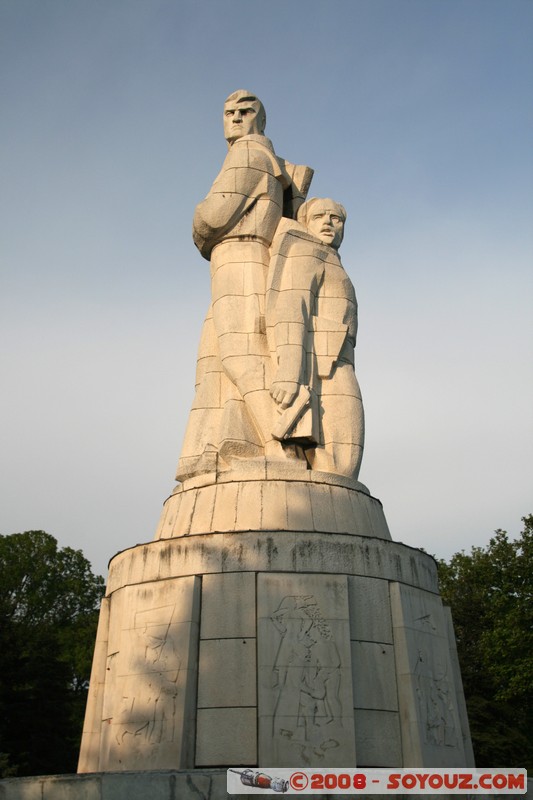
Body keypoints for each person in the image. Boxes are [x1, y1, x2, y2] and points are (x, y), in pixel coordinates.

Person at [176, 91, 312, 480]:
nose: (235, 118)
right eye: (229, 112)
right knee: (217, 360)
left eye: (245, 111)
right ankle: (228, 447)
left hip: (240, 255)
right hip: (236, 258)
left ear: (260, 121)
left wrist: (198, 218)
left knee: (241, 353)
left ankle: (279, 441)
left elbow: (213, 216)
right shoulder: (261, 157)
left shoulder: (248, 152)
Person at [266, 198, 364, 479]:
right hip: (324, 366)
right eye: (319, 216)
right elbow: (292, 305)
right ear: (305, 223)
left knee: (344, 460)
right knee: (341, 462)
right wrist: (289, 372)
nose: (328, 223)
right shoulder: (306, 251)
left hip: (339, 361)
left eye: (336, 218)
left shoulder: (330, 259)